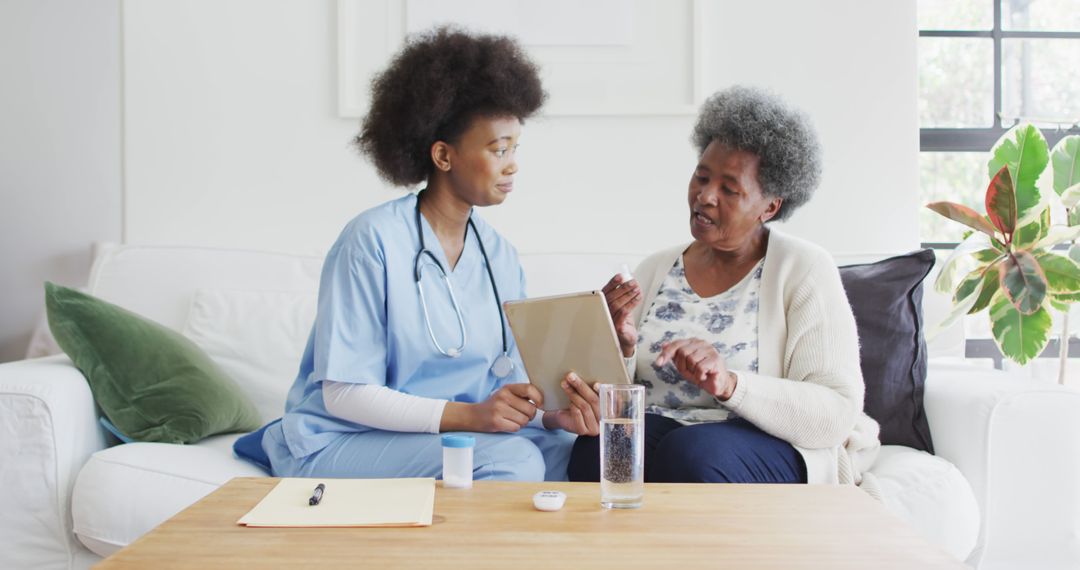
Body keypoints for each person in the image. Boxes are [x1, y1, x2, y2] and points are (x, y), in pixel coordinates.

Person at [241, 27, 601, 482]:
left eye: (515, 148)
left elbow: (501, 398)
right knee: (514, 461)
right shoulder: (371, 240)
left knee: (579, 454)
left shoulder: (499, 257)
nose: (513, 164)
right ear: (443, 156)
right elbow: (346, 395)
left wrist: (552, 418)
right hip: (345, 438)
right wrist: (471, 418)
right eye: (498, 149)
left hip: (447, 439)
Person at [568, 86, 881, 490]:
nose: (705, 195)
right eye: (701, 176)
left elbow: (835, 411)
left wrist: (730, 383)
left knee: (692, 453)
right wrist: (621, 346)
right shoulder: (656, 268)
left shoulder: (804, 269)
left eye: (729, 189)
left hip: (765, 442)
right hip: (671, 432)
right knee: (598, 450)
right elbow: (619, 403)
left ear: (770, 207)